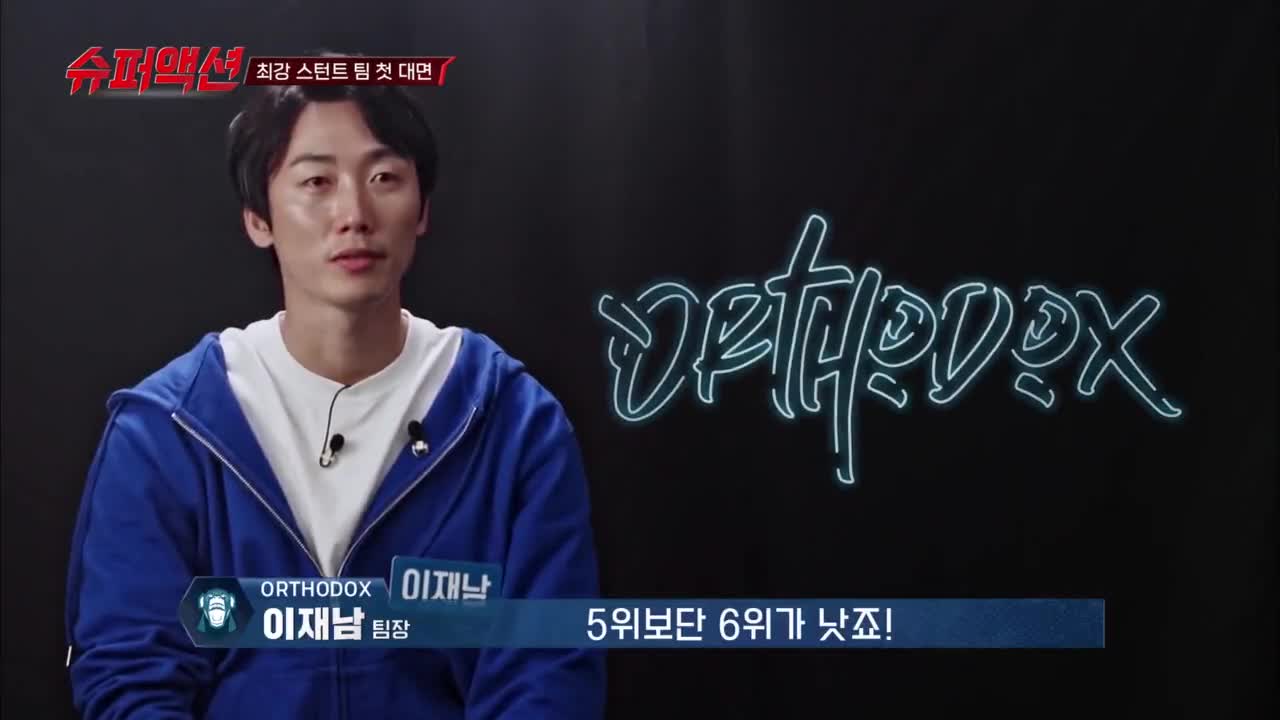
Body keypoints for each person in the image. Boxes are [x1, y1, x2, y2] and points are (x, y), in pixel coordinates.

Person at [64, 71, 606, 719]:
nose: (354, 214)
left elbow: (546, 675)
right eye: (316, 182)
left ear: (422, 210)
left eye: (384, 177)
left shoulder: (512, 421)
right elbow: (129, 672)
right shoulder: (168, 430)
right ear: (258, 218)